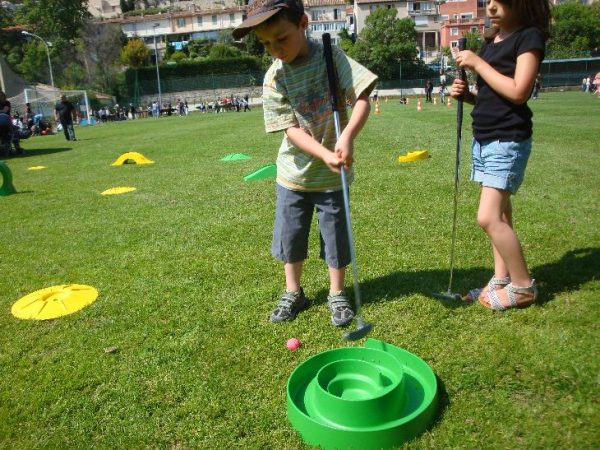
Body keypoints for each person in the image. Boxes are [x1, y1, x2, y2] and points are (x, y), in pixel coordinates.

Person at [232, 0, 378, 326]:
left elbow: (364, 97)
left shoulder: (331, 56)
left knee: (336, 237)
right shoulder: (275, 76)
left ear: (303, 23)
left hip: (331, 177)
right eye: (266, 44)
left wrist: (347, 136)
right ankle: (293, 292)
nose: (275, 49)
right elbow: (291, 130)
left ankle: (337, 294)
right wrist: (324, 153)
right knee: (291, 236)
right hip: (293, 174)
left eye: (281, 38)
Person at [450, 0, 550, 310]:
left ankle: (523, 287)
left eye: (500, 1)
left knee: (488, 216)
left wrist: (478, 64)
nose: (491, 7)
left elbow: (519, 91)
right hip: (485, 137)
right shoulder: (493, 40)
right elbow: (492, 94)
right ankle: (501, 276)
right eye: (488, 1)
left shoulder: (528, 37)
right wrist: (468, 95)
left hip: (507, 138)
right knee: (502, 212)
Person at [0, 90, 25, 156]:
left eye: (2, 96)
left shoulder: (7, 103)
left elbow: (4, 111)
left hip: (6, 121)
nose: (1, 97)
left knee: (14, 132)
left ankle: (17, 148)